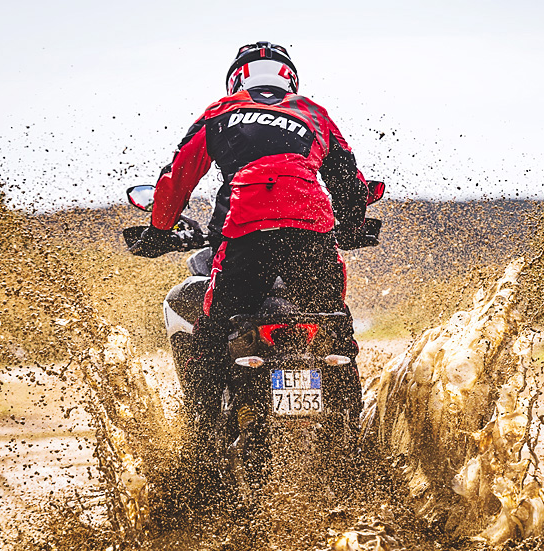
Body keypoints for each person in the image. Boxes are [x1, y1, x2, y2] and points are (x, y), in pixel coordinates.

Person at [137, 41, 377, 455]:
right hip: (312, 230)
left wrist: (159, 229)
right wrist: (352, 224)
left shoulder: (220, 111)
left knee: (213, 327)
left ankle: (201, 442)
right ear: (289, 79)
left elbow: (176, 177)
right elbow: (346, 175)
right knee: (335, 325)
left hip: (247, 232)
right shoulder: (312, 113)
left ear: (237, 79)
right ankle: (353, 444)